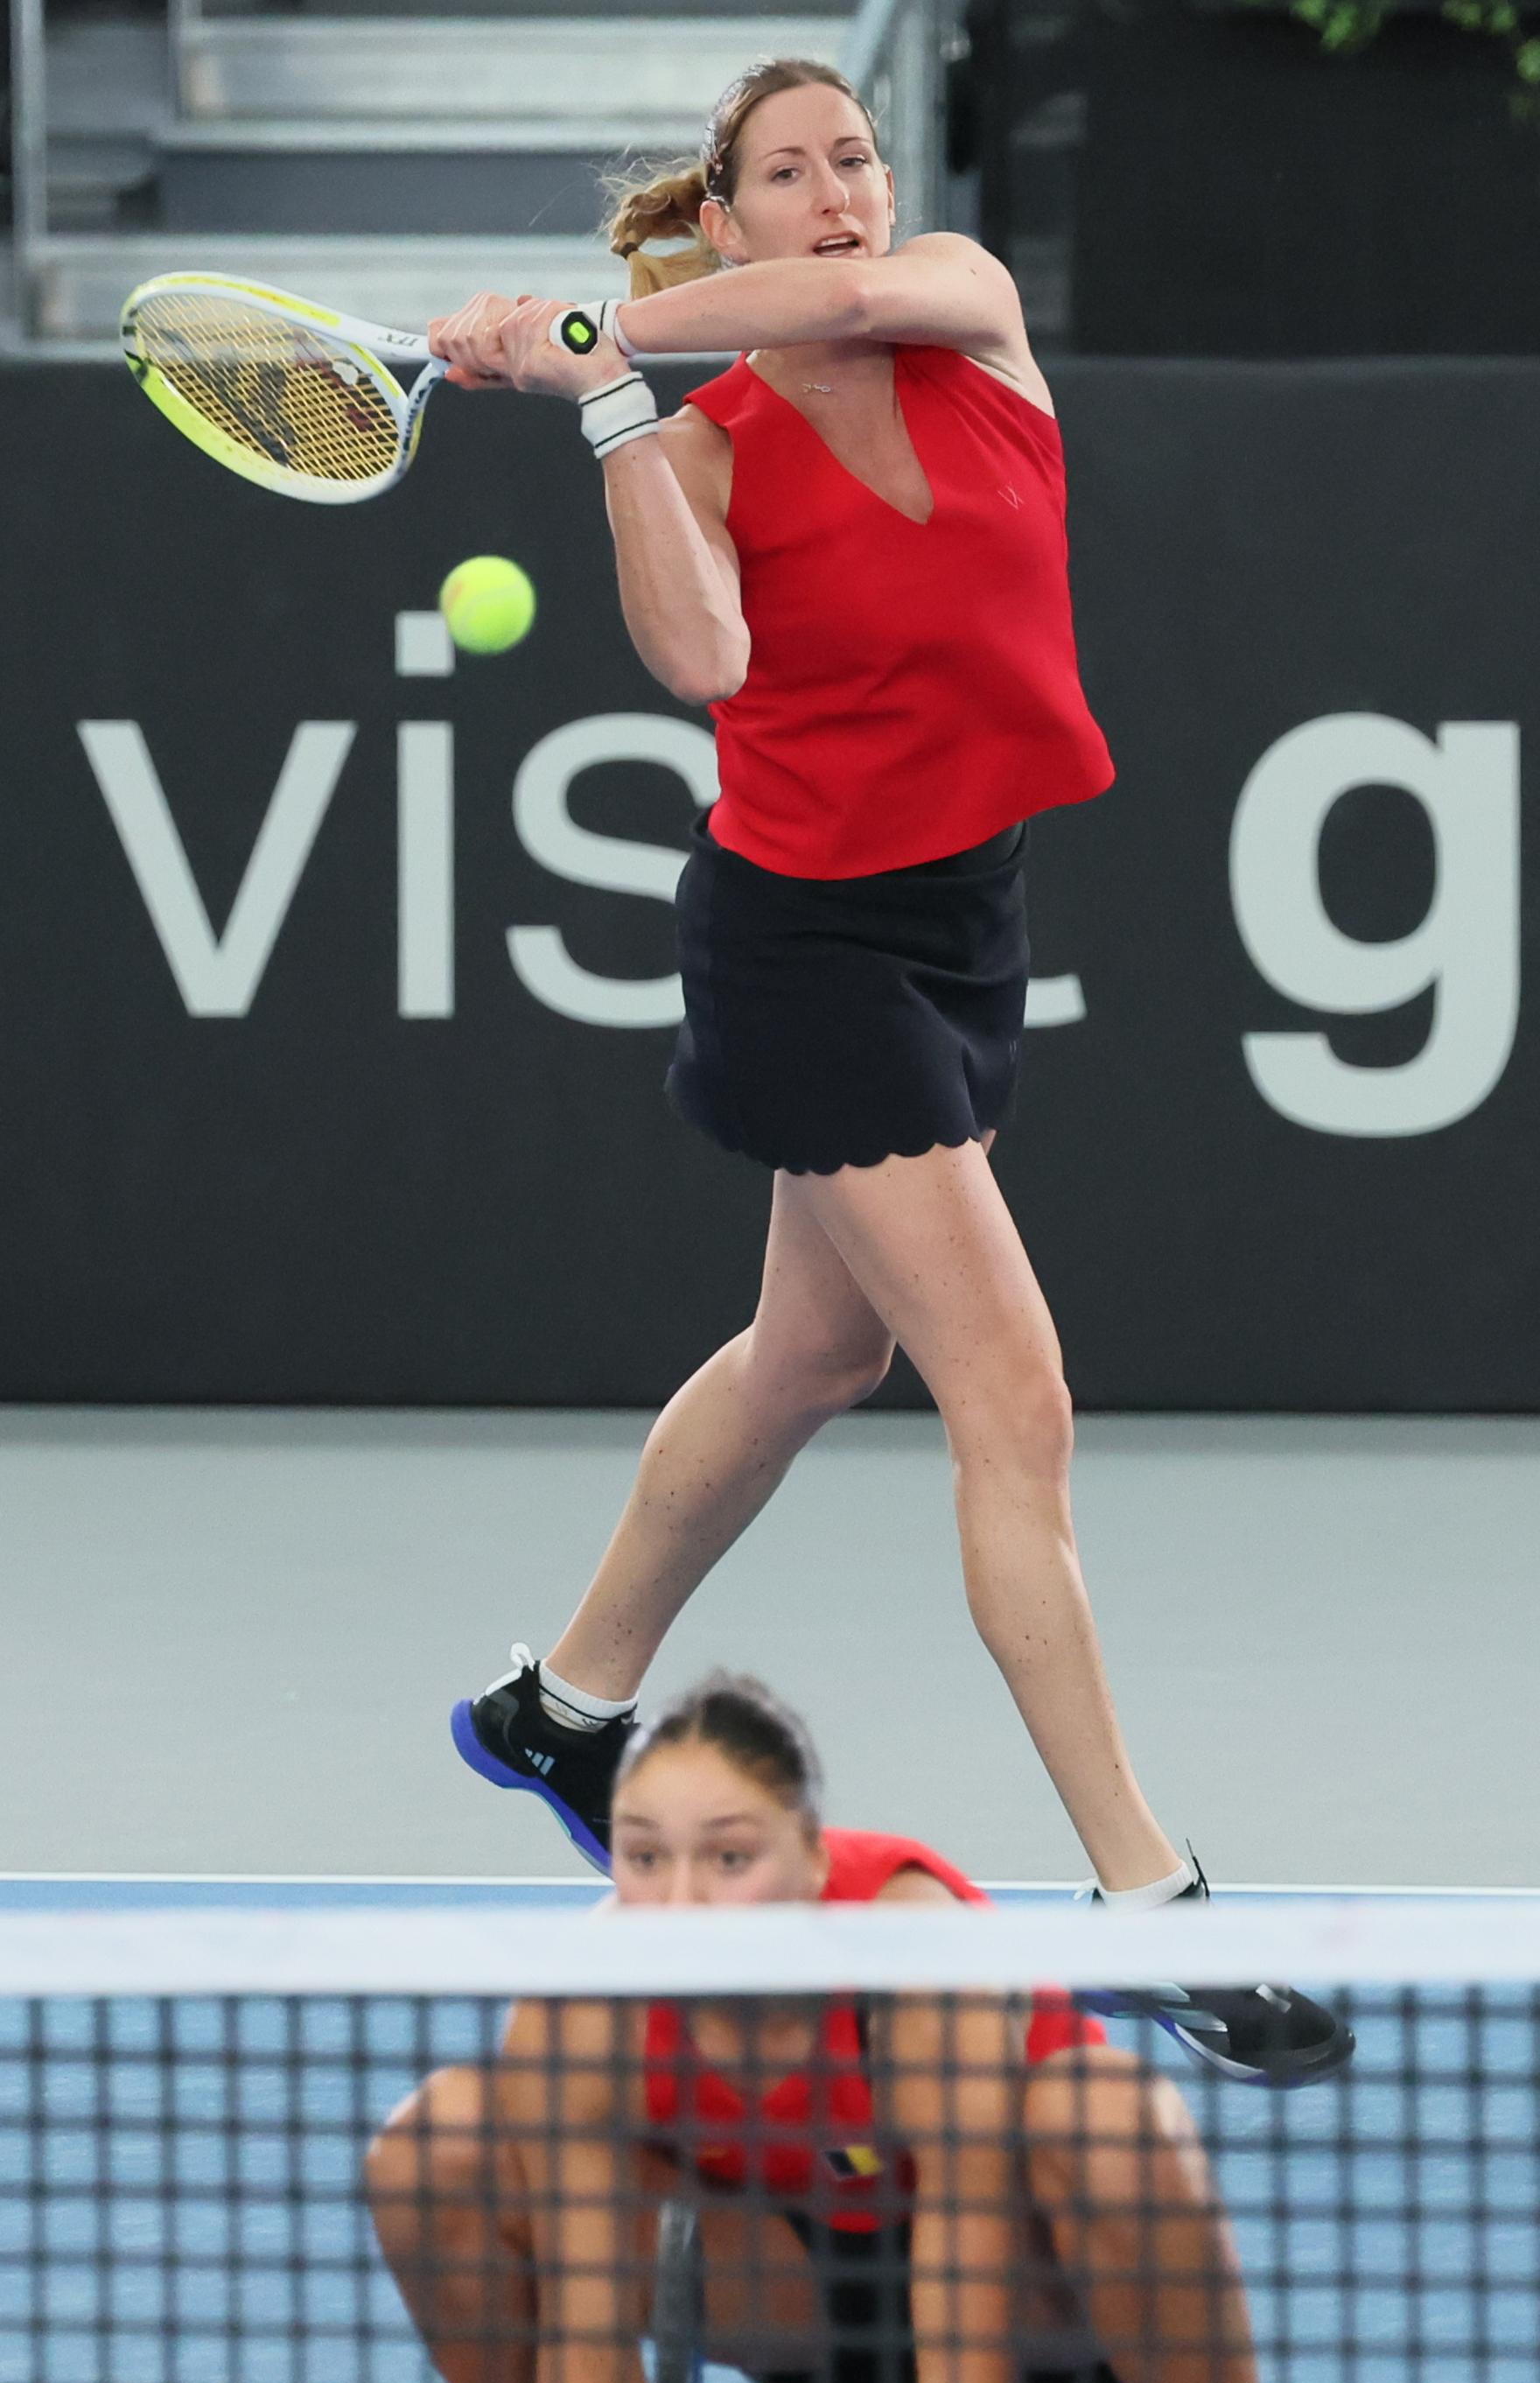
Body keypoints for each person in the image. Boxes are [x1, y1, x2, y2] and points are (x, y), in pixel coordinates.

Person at [424, 59, 1350, 2092]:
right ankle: (1150, 1902)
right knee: (1006, 1393)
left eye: (849, 154)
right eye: (788, 173)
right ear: (727, 216)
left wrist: (591, 329)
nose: (836, 192)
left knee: (807, 1359)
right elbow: (705, 668)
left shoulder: (953, 295)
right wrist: (603, 410)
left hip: (964, 919)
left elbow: (846, 315)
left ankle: (558, 1705)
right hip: (800, 944)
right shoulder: (707, 440)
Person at [306, 1675, 1373, 2383]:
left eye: (728, 1859)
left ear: (812, 1858)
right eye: (643, 1859)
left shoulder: (918, 1963)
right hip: (782, 2297)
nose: (682, 1904)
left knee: (1100, 2112)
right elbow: (582, 2346)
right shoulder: (590, 2006)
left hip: (1038, 2305)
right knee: (438, 2146)